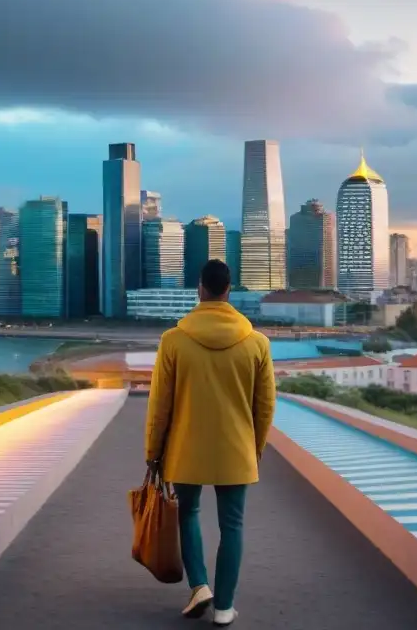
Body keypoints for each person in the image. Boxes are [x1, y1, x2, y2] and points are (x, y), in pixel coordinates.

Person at [144, 259, 276, 627]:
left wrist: (153, 452)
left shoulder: (173, 340)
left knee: (188, 512)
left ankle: (200, 585)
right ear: (229, 290)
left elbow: (160, 405)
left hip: (184, 447)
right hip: (236, 449)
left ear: (200, 288)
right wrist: (256, 448)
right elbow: (264, 406)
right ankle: (224, 608)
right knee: (232, 524)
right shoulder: (257, 344)